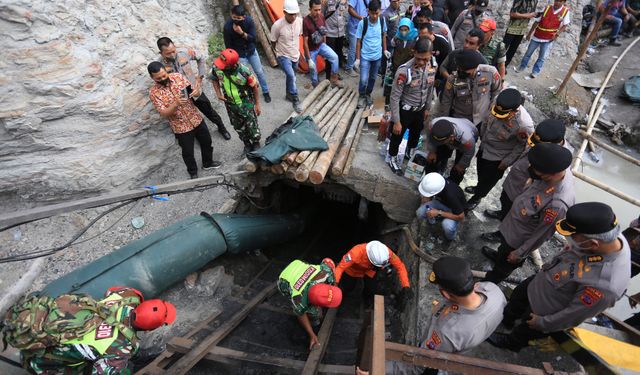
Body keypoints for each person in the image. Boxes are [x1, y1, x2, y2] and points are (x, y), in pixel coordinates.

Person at [488, 202, 631, 351]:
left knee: (525, 331)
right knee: (517, 298)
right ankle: (506, 319)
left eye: (573, 237)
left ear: (593, 243)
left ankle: (510, 342)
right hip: (542, 280)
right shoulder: (608, 234)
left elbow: (573, 315)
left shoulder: (604, 285)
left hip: (545, 309)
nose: (569, 240)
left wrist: (543, 323)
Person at [23, 286, 176, 374]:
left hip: (42, 331)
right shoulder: (120, 349)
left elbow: (114, 290)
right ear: (150, 330)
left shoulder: (126, 297)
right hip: (44, 362)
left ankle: (137, 357)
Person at [481, 144, 576, 284]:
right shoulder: (556, 166)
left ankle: (491, 281)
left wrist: (520, 253)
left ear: (552, 173)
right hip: (512, 224)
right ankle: (499, 256)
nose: (531, 171)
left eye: (537, 172)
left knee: (505, 264)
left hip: (518, 239)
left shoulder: (558, 203)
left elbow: (541, 234)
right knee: (503, 250)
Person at [484, 118, 570, 221]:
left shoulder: (561, 158)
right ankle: (502, 214)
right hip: (517, 174)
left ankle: (503, 228)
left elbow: (550, 180)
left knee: (515, 209)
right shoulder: (541, 136)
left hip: (527, 186)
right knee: (505, 198)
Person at [148, 62, 222, 179]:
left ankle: (208, 163)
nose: (163, 79)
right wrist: (175, 104)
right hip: (181, 127)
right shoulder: (153, 93)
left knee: (207, 142)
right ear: (152, 78)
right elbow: (163, 114)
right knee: (188, 152)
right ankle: (193, 172)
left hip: (195, 118)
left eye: (164, 75)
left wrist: (196, 92)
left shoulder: (178, 76)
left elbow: (194, 92)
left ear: (166, 71)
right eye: (159, 78)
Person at [464, 88, 533, 211]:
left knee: (489, 180)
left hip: (499, 157)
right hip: (485, 146)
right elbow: (487, 119)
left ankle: (478, 196)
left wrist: (507, 162)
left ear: (514, 111)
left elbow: (521, 146)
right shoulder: (497, 101)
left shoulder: (524, 125)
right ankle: (478, 187)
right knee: (481, 171)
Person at [421, 257, 506, 355]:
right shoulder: (494, 289)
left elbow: (424, 359)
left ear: (446, 294)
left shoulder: (447, 333)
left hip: (442, 353)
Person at [156, 37, 231, 141]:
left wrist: (200, 78)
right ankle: (199, 137)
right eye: (168, 53)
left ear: (175, 46)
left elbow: (201, 58)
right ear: (161, 53)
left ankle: (222, 128)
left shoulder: (184, 53)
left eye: (173, 51)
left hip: (193, 89)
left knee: (209, 111)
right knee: (187, 118)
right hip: (179, 96)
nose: (173, 55)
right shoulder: (160, 65)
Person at [387, 38, 437, 173]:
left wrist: (427, 108)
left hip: (420, 110)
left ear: (431, 55)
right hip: (405, 111)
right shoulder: (404, 71)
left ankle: (409, 152)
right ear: (413, 52)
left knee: (415, 134)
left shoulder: (432, 66)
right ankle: (392, 158)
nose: (421, 62)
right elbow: (395, 97)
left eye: (425, 59)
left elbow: (430, 88)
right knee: (397, 136)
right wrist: (396, 121)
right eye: (418, 58)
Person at [277, 259, 342, 350]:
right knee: (316, 315)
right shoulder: (299, 300)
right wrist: (312, 334)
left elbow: (327, 261)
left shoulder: (326, 272)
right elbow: (300, 314)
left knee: (317, 312)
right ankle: (314, 318)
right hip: (284, 279)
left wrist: (334, 286)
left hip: (298, 264)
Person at [210, 49, 263, 156]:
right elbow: (214, 78)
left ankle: (256, 143)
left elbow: (255, 87)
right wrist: (218, 94)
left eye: (223, 64)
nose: (219, 65)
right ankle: (247, 144)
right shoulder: (217, 67)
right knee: (238, 125)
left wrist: (257, 104)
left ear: (232, 65)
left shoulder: (244, 71)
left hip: (245, 103)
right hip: (230, 104)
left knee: (251, 123)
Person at [436, 48, 501, 129]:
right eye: (459, 69)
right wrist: (444, 121)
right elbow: (446, 101)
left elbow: (496, 93)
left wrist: (491, 115)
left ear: (476, 67)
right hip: (459, 118)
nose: (461, 72)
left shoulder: (490, 72)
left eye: (465, 71)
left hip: (481, 118)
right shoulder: (453, 79)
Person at [335, 240, 412, 307]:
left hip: (369, 270)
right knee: (349, 286)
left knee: (370, 288)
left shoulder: (387, 253)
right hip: (353, 271)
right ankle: (342, 296)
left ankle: (366, 299)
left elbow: (400, 266)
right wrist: (335, 283)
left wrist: (406, 285)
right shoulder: (356, 252)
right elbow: (340, 267)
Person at [224, 5, 272, 103]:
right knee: (244, 77)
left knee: (259, 72)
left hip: (251, 51)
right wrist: (234, 60)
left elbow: (253, 38)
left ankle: (266, 91)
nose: (236, 20)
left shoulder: (249, 21)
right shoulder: (227, 27)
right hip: (240, 55)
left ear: (243, 17)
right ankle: (250, 94)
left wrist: (241, 33)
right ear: (231, 15)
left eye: (238, 18)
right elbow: (228, 47)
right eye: (234, 17)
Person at [514, 0, 570, 79]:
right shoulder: (547, 8)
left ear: (563, 2)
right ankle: (522, 67)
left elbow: (565, 25)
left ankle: (535, 72)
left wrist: (556, 34)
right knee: (528, 53)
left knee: (541, 57)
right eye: (556, 0)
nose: (557, 3)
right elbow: (537, 22)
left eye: (560, 1)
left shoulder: (565, 11)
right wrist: (529, 33)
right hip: (537, 35)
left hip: (548, 38)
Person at [270, 0, 304, 113]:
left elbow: (299, 36)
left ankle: (288, 94)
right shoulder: (277, 26)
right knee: (291, 75)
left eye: (295, 14)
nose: (293, 16)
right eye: (291, 14)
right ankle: (295, 98)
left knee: (292, 76)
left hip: (295, 55)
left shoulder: (300, 22)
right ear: (284, 12)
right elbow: (273, 41)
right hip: (283, 55)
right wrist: (278, 53)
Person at [355, 0, 389, 108]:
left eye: (377, 13)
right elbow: (358, 41)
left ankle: (368, 94)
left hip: (377, 56)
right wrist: (358, 58)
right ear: (368, 11)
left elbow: (384, 35)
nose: (374, 16)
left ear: (380, 12)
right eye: (372, 13)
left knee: (373, 78)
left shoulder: (382, 20)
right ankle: (361, 95)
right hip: (365, 56)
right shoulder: (363, 23)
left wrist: (385, 50)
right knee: (363, 79)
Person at [424, 117, 478, 184]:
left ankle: (451, 185)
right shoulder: (433, 124)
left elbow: (469, 153)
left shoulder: (467, 139)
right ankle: (430, 180)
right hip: (447, 136)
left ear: (451, 137)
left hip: (465, 138)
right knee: (433, 159)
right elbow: (430, 138)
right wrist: (432, 151)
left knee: (458, 171)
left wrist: (462, 165)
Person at [303, 0, 344, 88]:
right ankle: (316, 87)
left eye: (319, 10)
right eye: (315, 10)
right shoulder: (306, 21)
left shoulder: (321, 16)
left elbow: (323, 32)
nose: (318, 12)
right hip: (311, 49)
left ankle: (334, 79)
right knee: (313, 70)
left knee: (335, 57)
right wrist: (309, 59)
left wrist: (324, 45)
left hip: (321, 45)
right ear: (310, 9)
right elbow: (305, 42)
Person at [416, 173, 467, 241]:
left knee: (447, 226)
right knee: (420, 212)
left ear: (438, 191)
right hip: (441, 202)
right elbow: (427, 195)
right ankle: (432, 221)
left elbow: (461, 217)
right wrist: (426, 196)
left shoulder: (451, 195)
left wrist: (439, 212)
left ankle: (450, 238)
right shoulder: (436, 180)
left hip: (454, 211)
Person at [383, 18, 418, 106]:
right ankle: (390, 103)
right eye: (401, 30)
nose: (403, 32)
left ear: (410, 28)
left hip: (408, 66)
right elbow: (392, 45)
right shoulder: (397, 38)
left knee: (405, 85)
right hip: (396, 64)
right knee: (394, 84)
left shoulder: (415, 38)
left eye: (406, 30)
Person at [417, 22, 451, 96]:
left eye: (424, 34)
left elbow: (446, 63)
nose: (421, 36)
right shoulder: (419, 41)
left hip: (438, 77)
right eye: (420, 34)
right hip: (422, 77)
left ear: (431, 33)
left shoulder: (442, 43)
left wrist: (439, 79)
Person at [502, 0, 538, 67]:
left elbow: (531, 13)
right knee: (503, 48)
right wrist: (527, 15)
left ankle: (504, 67)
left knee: (513, 49)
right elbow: (512, 13)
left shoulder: (535, 1)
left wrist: (535, 15)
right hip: (512, 28)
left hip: (522, 29)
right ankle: (495, 65)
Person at [324, 0, 349, 76]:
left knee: (338, 53)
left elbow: (345, 13)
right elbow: (322, 15)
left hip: (340, 32)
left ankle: (335, 74)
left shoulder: (344, 1)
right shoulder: (325, 1)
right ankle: (328, 76)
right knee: (330, 56)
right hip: (330, 33)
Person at [346, 0, 370, 76]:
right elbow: (350, 9)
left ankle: (355, 65)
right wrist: (360, 17)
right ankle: (349, 68)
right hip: (354, 27)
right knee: (353, 48)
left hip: (363, 26)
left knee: (360, 47)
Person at [382, 0, 403, 79]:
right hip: (390, 43)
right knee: (387, 62)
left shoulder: (402, 10)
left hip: (400, 42)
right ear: (390, 2)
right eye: (394, 1)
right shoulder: (386, 14)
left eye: (398, 1)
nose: (397, 3)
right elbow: (384, 32)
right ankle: (384, 78)